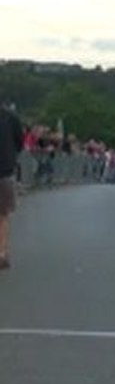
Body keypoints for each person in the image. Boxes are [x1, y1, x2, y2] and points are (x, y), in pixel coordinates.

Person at [0, 104, 25, 270]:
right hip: (4, 171)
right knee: (2, 215)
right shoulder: (10, 117)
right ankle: (1, 252)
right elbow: (20, 143)